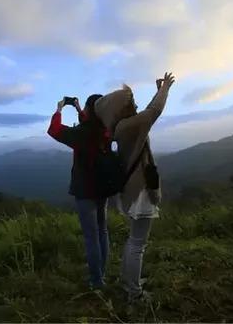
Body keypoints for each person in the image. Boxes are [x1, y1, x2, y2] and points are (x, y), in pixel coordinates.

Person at [94, 72, 175, 302]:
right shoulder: (130, 126)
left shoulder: (122, 126)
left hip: (131, 189)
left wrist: (157, 92)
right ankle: (133, 292)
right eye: (132, 103)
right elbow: (153, 112)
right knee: (138, 243)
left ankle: (128, 281)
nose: (136, 105)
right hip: (140, 191)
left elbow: (147, 112)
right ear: (123, 109)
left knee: (133, 240)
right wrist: (165, 89)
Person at [47, 93, 110, 289]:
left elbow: (54, 130)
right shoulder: (106, 130)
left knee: (91, 236)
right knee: (102, 231)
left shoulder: (81, 133)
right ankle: (101, 274)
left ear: (91, 110)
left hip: (85, 190)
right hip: (104, 187)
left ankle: (96, 281)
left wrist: (59, 109)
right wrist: (78, 108)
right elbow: (90, 124)